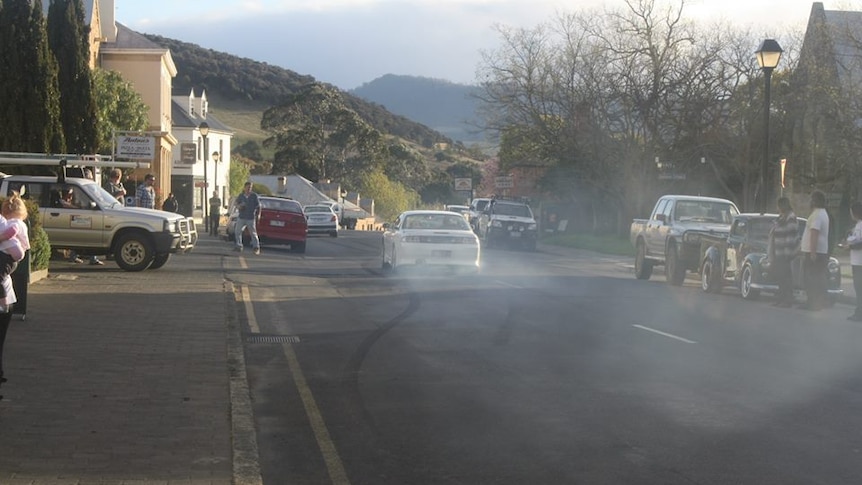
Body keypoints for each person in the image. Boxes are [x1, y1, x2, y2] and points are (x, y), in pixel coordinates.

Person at [800, 190, 830, 311]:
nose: (809, 201)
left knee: (811, 278)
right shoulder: (822, 213)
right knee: (816, 277)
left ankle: (813, 302)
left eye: (811, 199)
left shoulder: (817, 214)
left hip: (814, 252)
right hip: (820, 251)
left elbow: (814, 233)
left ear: (815, 201)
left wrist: (812, 252)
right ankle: (814, 301)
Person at [768, 197, 799, 308]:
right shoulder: (781, 217)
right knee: (780, 276)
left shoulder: (790, 218)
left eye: (778, 206)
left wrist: (787, 253)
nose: (777, 208)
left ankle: (787, 299)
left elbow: (790, 236)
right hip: (778, 252)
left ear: (782, 206)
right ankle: (780, 298)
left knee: (786, 277)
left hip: (786, 253)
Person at [0, 193, 30, 298]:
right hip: (13, 256)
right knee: (4, 278)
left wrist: (1, 238)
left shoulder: (13, 222)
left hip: (7, 256)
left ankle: (3, 305)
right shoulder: (22, 223)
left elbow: (12, 231)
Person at [845, 201, 862, 321]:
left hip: (859, 262)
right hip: (856, 261)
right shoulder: (858, 225)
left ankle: (859, 312)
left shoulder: (861, 225)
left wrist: (849, 246)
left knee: (859, 287)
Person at [233, 181, 261, 254]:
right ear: (244, 188)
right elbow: (236, 203)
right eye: (248, 187)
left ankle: (256, 247)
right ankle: (239, 246)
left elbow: (259, 206)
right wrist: (238, 206)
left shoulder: (254, 196)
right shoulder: (241, 196)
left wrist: (258, 215)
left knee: (253, 233)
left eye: (250, 187)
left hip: (250, 217)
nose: (249, 189)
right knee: (237, 231)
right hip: (242, 216)